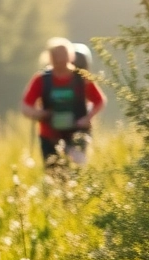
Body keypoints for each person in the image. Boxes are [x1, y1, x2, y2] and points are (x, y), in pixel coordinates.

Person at [22, 37, 105, 167]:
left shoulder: (81, 77)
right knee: (54, 173)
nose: (59, 59)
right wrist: (42, 114)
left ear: (70, 56)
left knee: (77, 171)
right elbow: (25, 107)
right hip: (49, 136)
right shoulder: (41, 79)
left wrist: (87, 118)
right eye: (55, 55)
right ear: (49, 57)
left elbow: (100, 101)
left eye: (63, 55)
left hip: (77, 133)